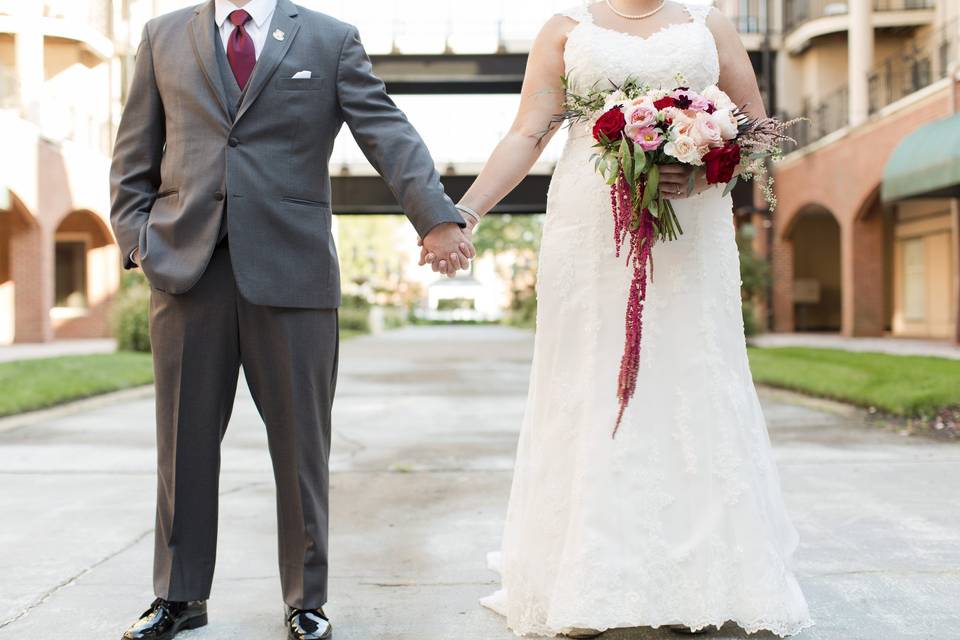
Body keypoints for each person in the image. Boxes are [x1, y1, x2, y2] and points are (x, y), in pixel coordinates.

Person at [423, 0, 814, 636]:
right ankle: (593, 566)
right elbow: (528, 133)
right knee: (593, 378)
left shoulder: (707, 23)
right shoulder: (565, 30)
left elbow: (755, 131)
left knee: (690, 373)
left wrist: (707, 167)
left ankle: (708, 568)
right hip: (590, 224)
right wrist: (460, 215)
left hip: (691, 228)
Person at [109, 0, 473, 638]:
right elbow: (134, 151)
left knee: (302, 445)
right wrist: (139, 240)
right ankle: (179, 597)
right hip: (186, 268)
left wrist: (437, 217)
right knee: (183, 443)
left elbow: (385, 130)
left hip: (294, 269)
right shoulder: (161, 35)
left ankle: (306, 599)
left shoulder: (330, 40)